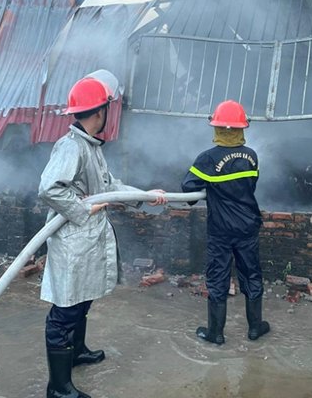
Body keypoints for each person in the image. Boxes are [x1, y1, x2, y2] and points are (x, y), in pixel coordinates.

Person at [38, 75, 167, 398]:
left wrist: (145, 196)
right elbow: (49, 188)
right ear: (99, 112)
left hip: (87, 240)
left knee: (82, 299)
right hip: (73, 241)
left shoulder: (90, 147)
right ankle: (58, 387)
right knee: (65, 312)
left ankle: (77, 351)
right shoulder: (71, 147)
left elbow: (110, 186)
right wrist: (83, 208)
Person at [181, 100, 270, 345]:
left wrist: (209, 186)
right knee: (251, 274)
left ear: (217, 128)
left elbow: (187, 187)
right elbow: (249, 186)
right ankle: (255, 328)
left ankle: (216, 333)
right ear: (242, 128)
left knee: (218, 277)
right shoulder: (251, 156)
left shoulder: (207, 159)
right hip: (248, 226)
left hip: (221, 230)